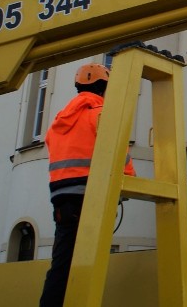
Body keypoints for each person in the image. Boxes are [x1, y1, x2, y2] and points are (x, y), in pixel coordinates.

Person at [39, 63, 135, 307]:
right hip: (90, 195)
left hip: (62, 198)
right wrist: (129, 181)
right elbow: (119, 156)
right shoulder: (102, 114)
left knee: (61, 264)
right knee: (91, 261)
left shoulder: (59, 122)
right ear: (104, 88)